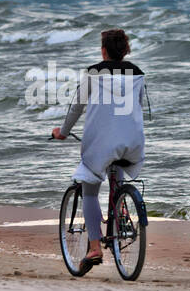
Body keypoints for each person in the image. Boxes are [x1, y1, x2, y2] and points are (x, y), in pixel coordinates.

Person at [51, 29, 147, 272]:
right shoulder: (137, 73)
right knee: (119, 159)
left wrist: (62, 132)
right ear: (125, 50)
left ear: (103, 51)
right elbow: (136, 108)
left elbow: (76, 107)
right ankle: (121, 208)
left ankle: (95, 247)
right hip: (132, 141)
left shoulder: (94, 73)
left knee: (90, 189)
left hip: (102, 142)